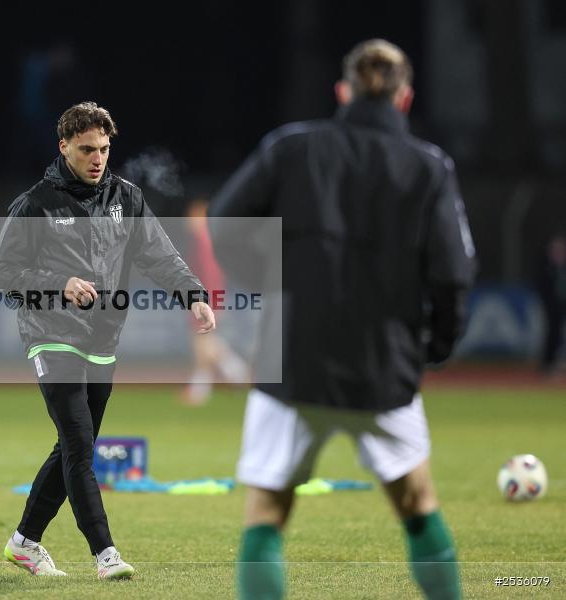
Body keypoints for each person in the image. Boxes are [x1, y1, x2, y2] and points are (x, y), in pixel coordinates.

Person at [208, 40, 476, 600]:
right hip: (384, 365)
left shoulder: (290, 147)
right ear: (404, 98)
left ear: (343, 91)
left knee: (267, 511)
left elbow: (225, 221)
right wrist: (437, 345)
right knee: (417, 504)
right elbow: (454, 273)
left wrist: (268, 286)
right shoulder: (429, 167)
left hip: (295, 358)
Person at [0, 101, 216, 580]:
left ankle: (24, 542)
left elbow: (160, 254)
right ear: (63, 147)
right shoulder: (35, 204)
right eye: (87, 149)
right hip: (50, 335)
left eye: (105, 149)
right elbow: (1, 275)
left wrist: (193, 294)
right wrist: (60, 283)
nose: (97, 159)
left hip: (102, 336)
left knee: (77, 448)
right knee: (77, 443)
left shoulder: (126, 198)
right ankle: (105, 554)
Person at [182, 198, 248, 406]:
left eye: (192, 216)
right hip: (206, 298)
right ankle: (201, 389)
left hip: (205, 299)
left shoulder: (204, 242)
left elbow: (211, 274)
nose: (187, 220)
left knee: (204, 343)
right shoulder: (204, 240)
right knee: (204, 344)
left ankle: (237, 372)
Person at [535, 233, 566, 376]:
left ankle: (556, 361)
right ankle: (548, 363)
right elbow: (541, 286)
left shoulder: (561, 268)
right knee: (552, 333)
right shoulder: (546, 268)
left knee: (558, 333)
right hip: (551, 306)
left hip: (561, 305)